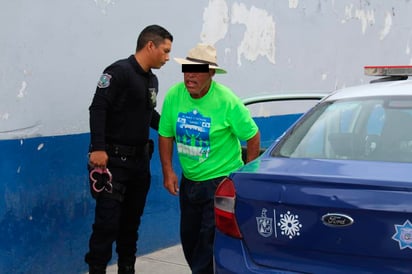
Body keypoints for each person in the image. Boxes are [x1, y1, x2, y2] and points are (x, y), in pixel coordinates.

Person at [158, 43, 260, 274]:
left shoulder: (226, 101)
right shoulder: (175, 95)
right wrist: (168, 171)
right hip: (190, 182)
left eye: (198, 70)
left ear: (211, 73)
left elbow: (252, 136)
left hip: (219, 182)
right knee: (190, 239)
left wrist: (246, 176)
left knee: (207, 244)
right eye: (186, 69)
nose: (190, 75)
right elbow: (165, 134)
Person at [85, 25, 173, 274]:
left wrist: (174, 130)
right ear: (150, 46)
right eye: (165, 51)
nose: (167, 57)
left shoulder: (151, 79)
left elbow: (150, 115)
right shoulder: (118, 72)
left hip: (139, 166)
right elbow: (98, 107)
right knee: (106, 225)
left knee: (130, 225)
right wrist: (98, 148)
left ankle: (127, 268)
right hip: (111, 164)